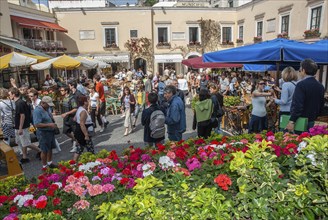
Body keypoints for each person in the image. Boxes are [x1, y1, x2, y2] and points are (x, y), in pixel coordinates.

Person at [286, 59, 325, 133]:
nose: (299, 72)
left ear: (303, 70)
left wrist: (292, 121)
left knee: (298, 142)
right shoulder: (320, 86)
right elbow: (321, 106)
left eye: (300, 70)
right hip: (313, 121)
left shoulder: (301, 85)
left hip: (300, 121)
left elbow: (298, 105)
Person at [8, 87, 41, 163]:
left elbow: (22, 116)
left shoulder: (19, 103)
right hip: (19, 126)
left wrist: (20, 128)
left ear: (13, 94)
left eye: (10, 94)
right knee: (21, 142)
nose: (9, 96)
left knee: (26, 142)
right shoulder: (18, 102)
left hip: (22, 126)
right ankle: (24, 156)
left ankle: (40, 151)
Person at [33, 96, 58, 169]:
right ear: (43, 103)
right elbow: (37, 124)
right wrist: (49, 124)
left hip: (50, 132)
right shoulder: (37, 111)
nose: (49, 106)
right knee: (44, 150)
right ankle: (44, 166)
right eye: (48, 104)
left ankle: (50, 163)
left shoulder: (46, 108)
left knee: (50, 148)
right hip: (43, 133)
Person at [73, 96, 95, 161]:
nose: (88, 102)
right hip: (82, 133)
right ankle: (92, 163)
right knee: (90, 149)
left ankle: (73, 164)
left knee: (79, 149)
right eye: (87, 100)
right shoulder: (83, 111)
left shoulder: (79, 109)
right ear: (85, 102)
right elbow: (82, 124)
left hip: (79, 132)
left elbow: (74, 119)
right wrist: (86, 135)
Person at [60, 86, 78, 153]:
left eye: (62, 90)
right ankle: (75, 140)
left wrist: (67, 113)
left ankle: (75, 146)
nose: (61, 92)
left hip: (71, 118)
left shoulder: (72, 99)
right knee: (66, 131)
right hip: (66, 118)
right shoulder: (63, 98)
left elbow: (75, 108)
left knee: (74, 131)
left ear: (66, 91)